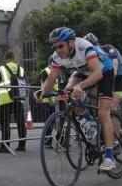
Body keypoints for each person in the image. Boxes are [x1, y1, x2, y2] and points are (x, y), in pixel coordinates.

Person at [35, 27, 117, 171]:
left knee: (103, 112)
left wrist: (81, 86)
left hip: (103, 72)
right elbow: (52, 77)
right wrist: (43, 91)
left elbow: (97, 74)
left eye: (61, 46)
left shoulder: (84, 47)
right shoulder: (57, 56)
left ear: (71, 42)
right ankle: (89, 124)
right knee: (68, 92)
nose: (58, 50)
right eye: (55, 47)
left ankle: (110, 157)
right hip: (83, 71)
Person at [0, 50, 27, 152]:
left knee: (5, 123)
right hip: (18, 98)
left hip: (5, 99)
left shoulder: (2, 69)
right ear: (13, 58)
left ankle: (5, 146)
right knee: (20, 122)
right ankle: (22, 145)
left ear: (6, 58)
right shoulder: (21, 69)